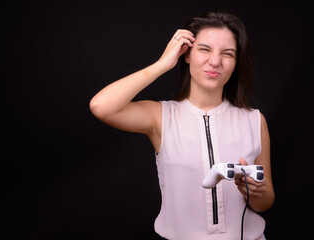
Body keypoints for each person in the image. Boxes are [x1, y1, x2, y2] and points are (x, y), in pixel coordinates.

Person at [90, 10, 275, 240]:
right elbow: (101, 106)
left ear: (236, 63)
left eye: (227, 54)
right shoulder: (161, 116)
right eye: (204, 49)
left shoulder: (254, 120)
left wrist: (255, 191)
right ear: (186, 54)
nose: (215, 61)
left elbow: (265, 203)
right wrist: (162, 64)